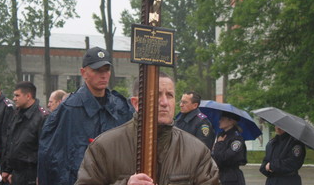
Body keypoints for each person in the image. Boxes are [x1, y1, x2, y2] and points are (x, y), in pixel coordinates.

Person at [75, 73, 219, 185]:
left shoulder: (197, 151)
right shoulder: (104, 147)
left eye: (169, 95)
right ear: (136, 103)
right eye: (156, 94)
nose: (164, 103)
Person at [38, 46, 134, 185]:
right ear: (83, 73)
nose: (103, 75)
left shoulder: (121, 108)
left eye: (106, 70)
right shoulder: (68, 110)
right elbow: (51, 159)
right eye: (97, 70)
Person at [2, 81, 48, 184]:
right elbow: (11, 143)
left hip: (31, 174)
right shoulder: (16, 114)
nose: (14, 98)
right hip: (16, 174)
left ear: (28, 96)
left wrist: (40, 175)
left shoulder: (42, 118)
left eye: (17, 95)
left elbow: (45, 150)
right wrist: (8, 169)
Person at [212, 112, 247, 185]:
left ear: (231, 121)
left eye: (222, 119)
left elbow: (224, 158)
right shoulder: (221, 135)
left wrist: (219, 144)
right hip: (220, 175)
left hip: (231, 178)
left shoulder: (236, 139)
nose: (219, 121)